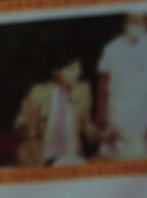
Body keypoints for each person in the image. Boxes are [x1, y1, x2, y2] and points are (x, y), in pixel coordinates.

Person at [94, 13, 147, 160]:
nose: (133, 25)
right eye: (130, 20)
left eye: (138, 20)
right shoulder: (112, 47)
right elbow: (104, 82)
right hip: (115, 125)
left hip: (146, 126)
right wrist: (101, 112)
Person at [13, 39, 95, 167]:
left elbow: (87, 126)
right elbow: (20, 122)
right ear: (56, 72)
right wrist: (26, 129)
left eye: (79, 67)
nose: (78, 73)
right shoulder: (38, 93)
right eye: (71, 68)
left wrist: (101, 135)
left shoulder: (83, 91)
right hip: (41, 161)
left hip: (72, 160)